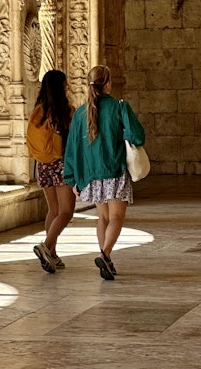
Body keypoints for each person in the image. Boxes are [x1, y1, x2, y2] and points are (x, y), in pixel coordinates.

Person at [63, 64, 145, 280]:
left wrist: (72, 178)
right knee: (117, 216)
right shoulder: (119, 107)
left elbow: (72, 149)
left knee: (103, 217)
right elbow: (137, 136)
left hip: (91, 175)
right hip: (114, 170)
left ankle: (106, 262)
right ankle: (105, 254)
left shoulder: (80, 114)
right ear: (108, 84)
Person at [28, 69, 75, 274]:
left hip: (43, 165)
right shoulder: (66, 111)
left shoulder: (38, 111)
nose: (68, 86)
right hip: (61, 164)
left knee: (54, 210)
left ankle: (52, 255)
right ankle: (46, 246)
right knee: (66, 211)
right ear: (60, 86)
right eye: (65, 83)